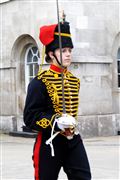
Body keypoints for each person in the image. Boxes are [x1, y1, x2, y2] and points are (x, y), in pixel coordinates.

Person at [23, 20, 91, 180]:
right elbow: (30, 118)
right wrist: (56, 122)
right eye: (63, 50)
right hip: (49, 142)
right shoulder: (39, 82)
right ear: (51, 54)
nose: (68, 54)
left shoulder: (74, 81)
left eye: (69, 50)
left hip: (72, 139)